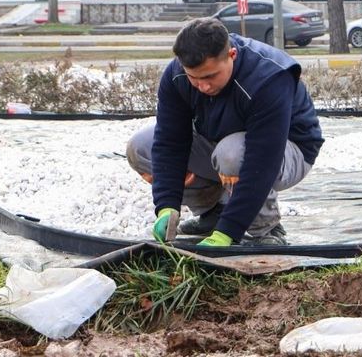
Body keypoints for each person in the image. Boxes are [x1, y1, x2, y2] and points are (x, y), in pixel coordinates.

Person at [126, 17, 324, 247]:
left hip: (288, 151)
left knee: (232, 153)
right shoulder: (176, 76)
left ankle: (266, 229)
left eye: (210, 76)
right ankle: (213, 213)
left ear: (232, 55)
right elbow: (170, 142)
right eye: (194, 78)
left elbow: (263, 159)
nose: (203, 86)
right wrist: (166, 205)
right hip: (220, 142)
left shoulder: (268, 78)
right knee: (141, 148)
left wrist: (229, 232)